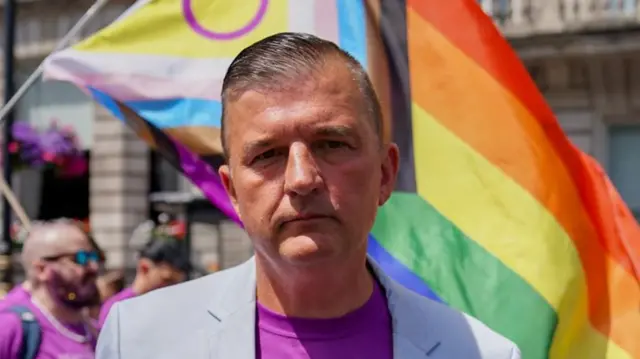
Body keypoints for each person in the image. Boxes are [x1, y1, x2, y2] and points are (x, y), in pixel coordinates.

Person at [97, 32, 521, 359]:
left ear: (385, 174)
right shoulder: (139, 338)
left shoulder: (482, 352)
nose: (302, 179)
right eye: (267, 154)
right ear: (232, 193)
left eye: (332, 144)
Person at [0, 219, 99, 359]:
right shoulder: (10, 327)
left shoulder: (96, 331)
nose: (93, 267)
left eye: (93, 256)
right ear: (42, 269)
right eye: (79, 258)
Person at [97, 233, 190, 328]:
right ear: (144, 268)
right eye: (167, 281)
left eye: (177, 284)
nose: (172, 289)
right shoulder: (117, 310)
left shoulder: (172, 310)